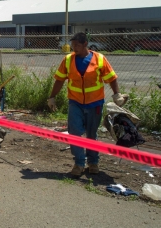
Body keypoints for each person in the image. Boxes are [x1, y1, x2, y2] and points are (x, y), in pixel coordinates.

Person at [47, 32, 127, 178]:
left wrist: (117, 95)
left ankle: (93, 163)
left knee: (91, 134)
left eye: (77, 45)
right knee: (75, 133)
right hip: (75, 103)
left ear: (85, 44)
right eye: (73, 46)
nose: (74, 48)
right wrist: (52, 97)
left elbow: (111, 78)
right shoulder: (68, 60)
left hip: (94, 103)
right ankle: (79, 163)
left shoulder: (100, 59)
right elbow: (59, 79)